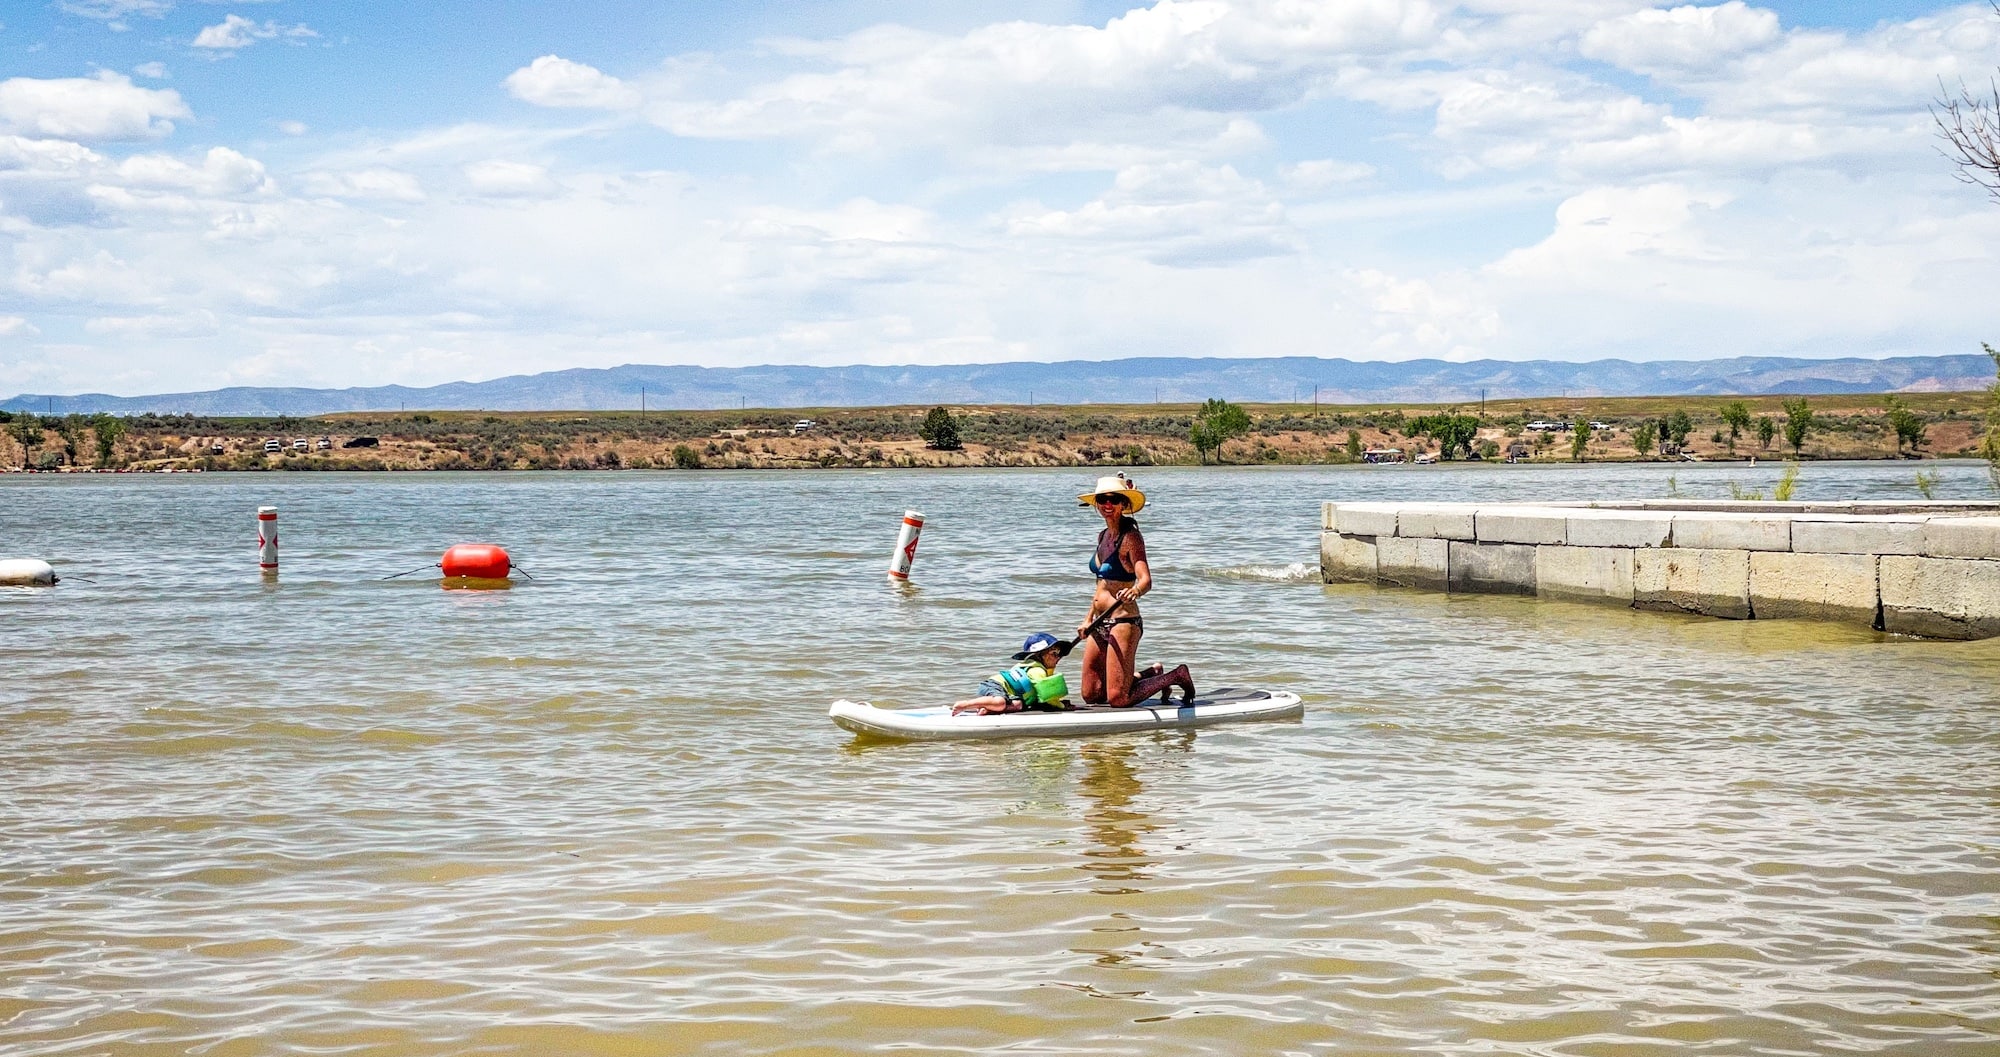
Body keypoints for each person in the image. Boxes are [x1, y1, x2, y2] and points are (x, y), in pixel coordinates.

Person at [1075, 474, 1194, 707]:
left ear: (1124, 504)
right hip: (1099, 622)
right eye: (1102, 500)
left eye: (1114, 499)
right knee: (1092, 695)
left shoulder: (1132, 538)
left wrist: (1135, 591)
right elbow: (1101, 584)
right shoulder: (1102, 536)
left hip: (1124, 622)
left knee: (1119, 698)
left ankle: (1176, 676)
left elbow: (1146, 580)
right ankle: (1151, 673)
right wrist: (1087, 619)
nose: (1107, 505)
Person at [952, 632, 1074, 715]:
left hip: (1008, 695)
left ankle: (988, 709)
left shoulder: (1038, 667)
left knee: (1018, 705)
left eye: (1059, 653)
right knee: (1000, 703)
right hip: (995, 686)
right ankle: (965, 705)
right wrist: (1062, 706)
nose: (1058, 657)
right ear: (1039, 655)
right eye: (1054, 653)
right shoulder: (1036, 670)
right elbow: (1049, 696)